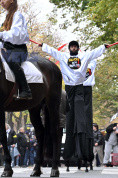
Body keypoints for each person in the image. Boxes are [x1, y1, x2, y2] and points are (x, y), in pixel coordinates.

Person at [39, 39, 107, 170]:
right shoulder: (64, 56)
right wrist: (44, 46)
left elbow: (94, 53)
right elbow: (54, 52)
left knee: (81, 119)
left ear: (78, 48)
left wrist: (104, 47)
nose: (74, 48)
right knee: (70, 117)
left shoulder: (84, 56)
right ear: (70, 48)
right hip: (69, 87)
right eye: (72, 46)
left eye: (76, 46)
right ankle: (70, 152)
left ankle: (83, 149)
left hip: (80, 87)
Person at [0, 0, 32, 99]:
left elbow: (15, 34)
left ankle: (26, 90)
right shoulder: (4, 18)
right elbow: (0, 38)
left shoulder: (17, 15)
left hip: (19, 49)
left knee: (12, 60)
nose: (1, 2)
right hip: (5, 48)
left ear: (12, 0)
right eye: (0, 0)